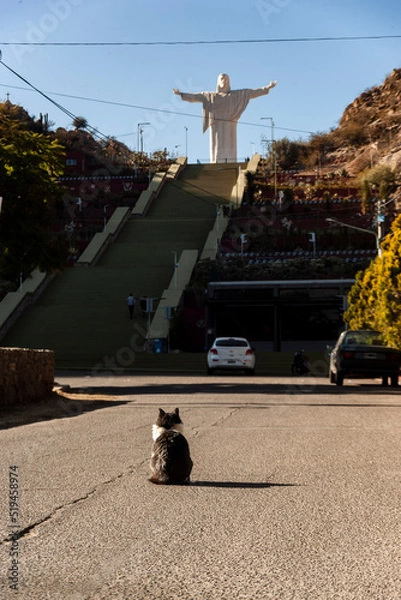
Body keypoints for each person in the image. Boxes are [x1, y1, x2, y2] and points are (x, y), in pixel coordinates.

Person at [173, 74, 277, 163]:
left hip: (230, 124)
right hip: (215, 125)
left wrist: (267, 88)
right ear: (218, 82)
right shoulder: (210, 96)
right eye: (222, 79)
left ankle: (231, 161)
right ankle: (216, 162)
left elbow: (251, 93)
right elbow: (194, 97)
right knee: (216, 145)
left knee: (230, 141)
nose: (224, 81)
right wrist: (181, 94)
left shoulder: (236, 95)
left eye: (226, 79)